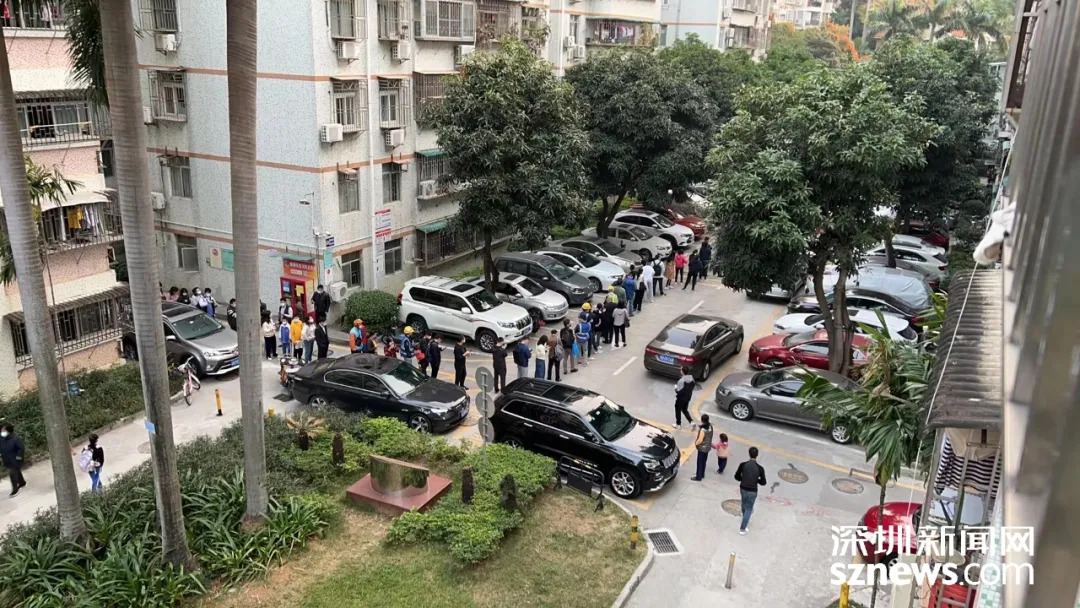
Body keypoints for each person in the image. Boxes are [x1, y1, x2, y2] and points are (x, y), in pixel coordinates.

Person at [734, 446, 768, 534]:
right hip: (753, 490)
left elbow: (737, 477)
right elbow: (763, 482)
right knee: (749, 508)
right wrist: (757, 480)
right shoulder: (760, 468)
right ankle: (742, 528)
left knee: (744, 503)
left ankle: (744, 515)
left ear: (749, 454)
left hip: (743, 488)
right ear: (757, 455)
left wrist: (743, 478)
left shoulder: (743, 465)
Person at [0, 424, 26, 496]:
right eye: (2, 430)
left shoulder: (15, 439)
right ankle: (22, 483)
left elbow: (21, 448)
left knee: (12, 473)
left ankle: (15, 489)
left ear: (9, 431)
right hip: (6, 459)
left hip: (15, 459)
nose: (2, 431)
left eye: (4, 430)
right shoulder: (2, 438)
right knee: (17, 471)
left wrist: (18, 457)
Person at [691, 415, 714, 481]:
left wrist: (696, 443)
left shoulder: (703, 430)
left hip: (702, 448)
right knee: (704, 461)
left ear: (702, 420)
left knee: (700, 462)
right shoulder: (710, 426)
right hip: (707, 447)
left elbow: (700, 440)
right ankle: (702, 474)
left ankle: (698, 476)